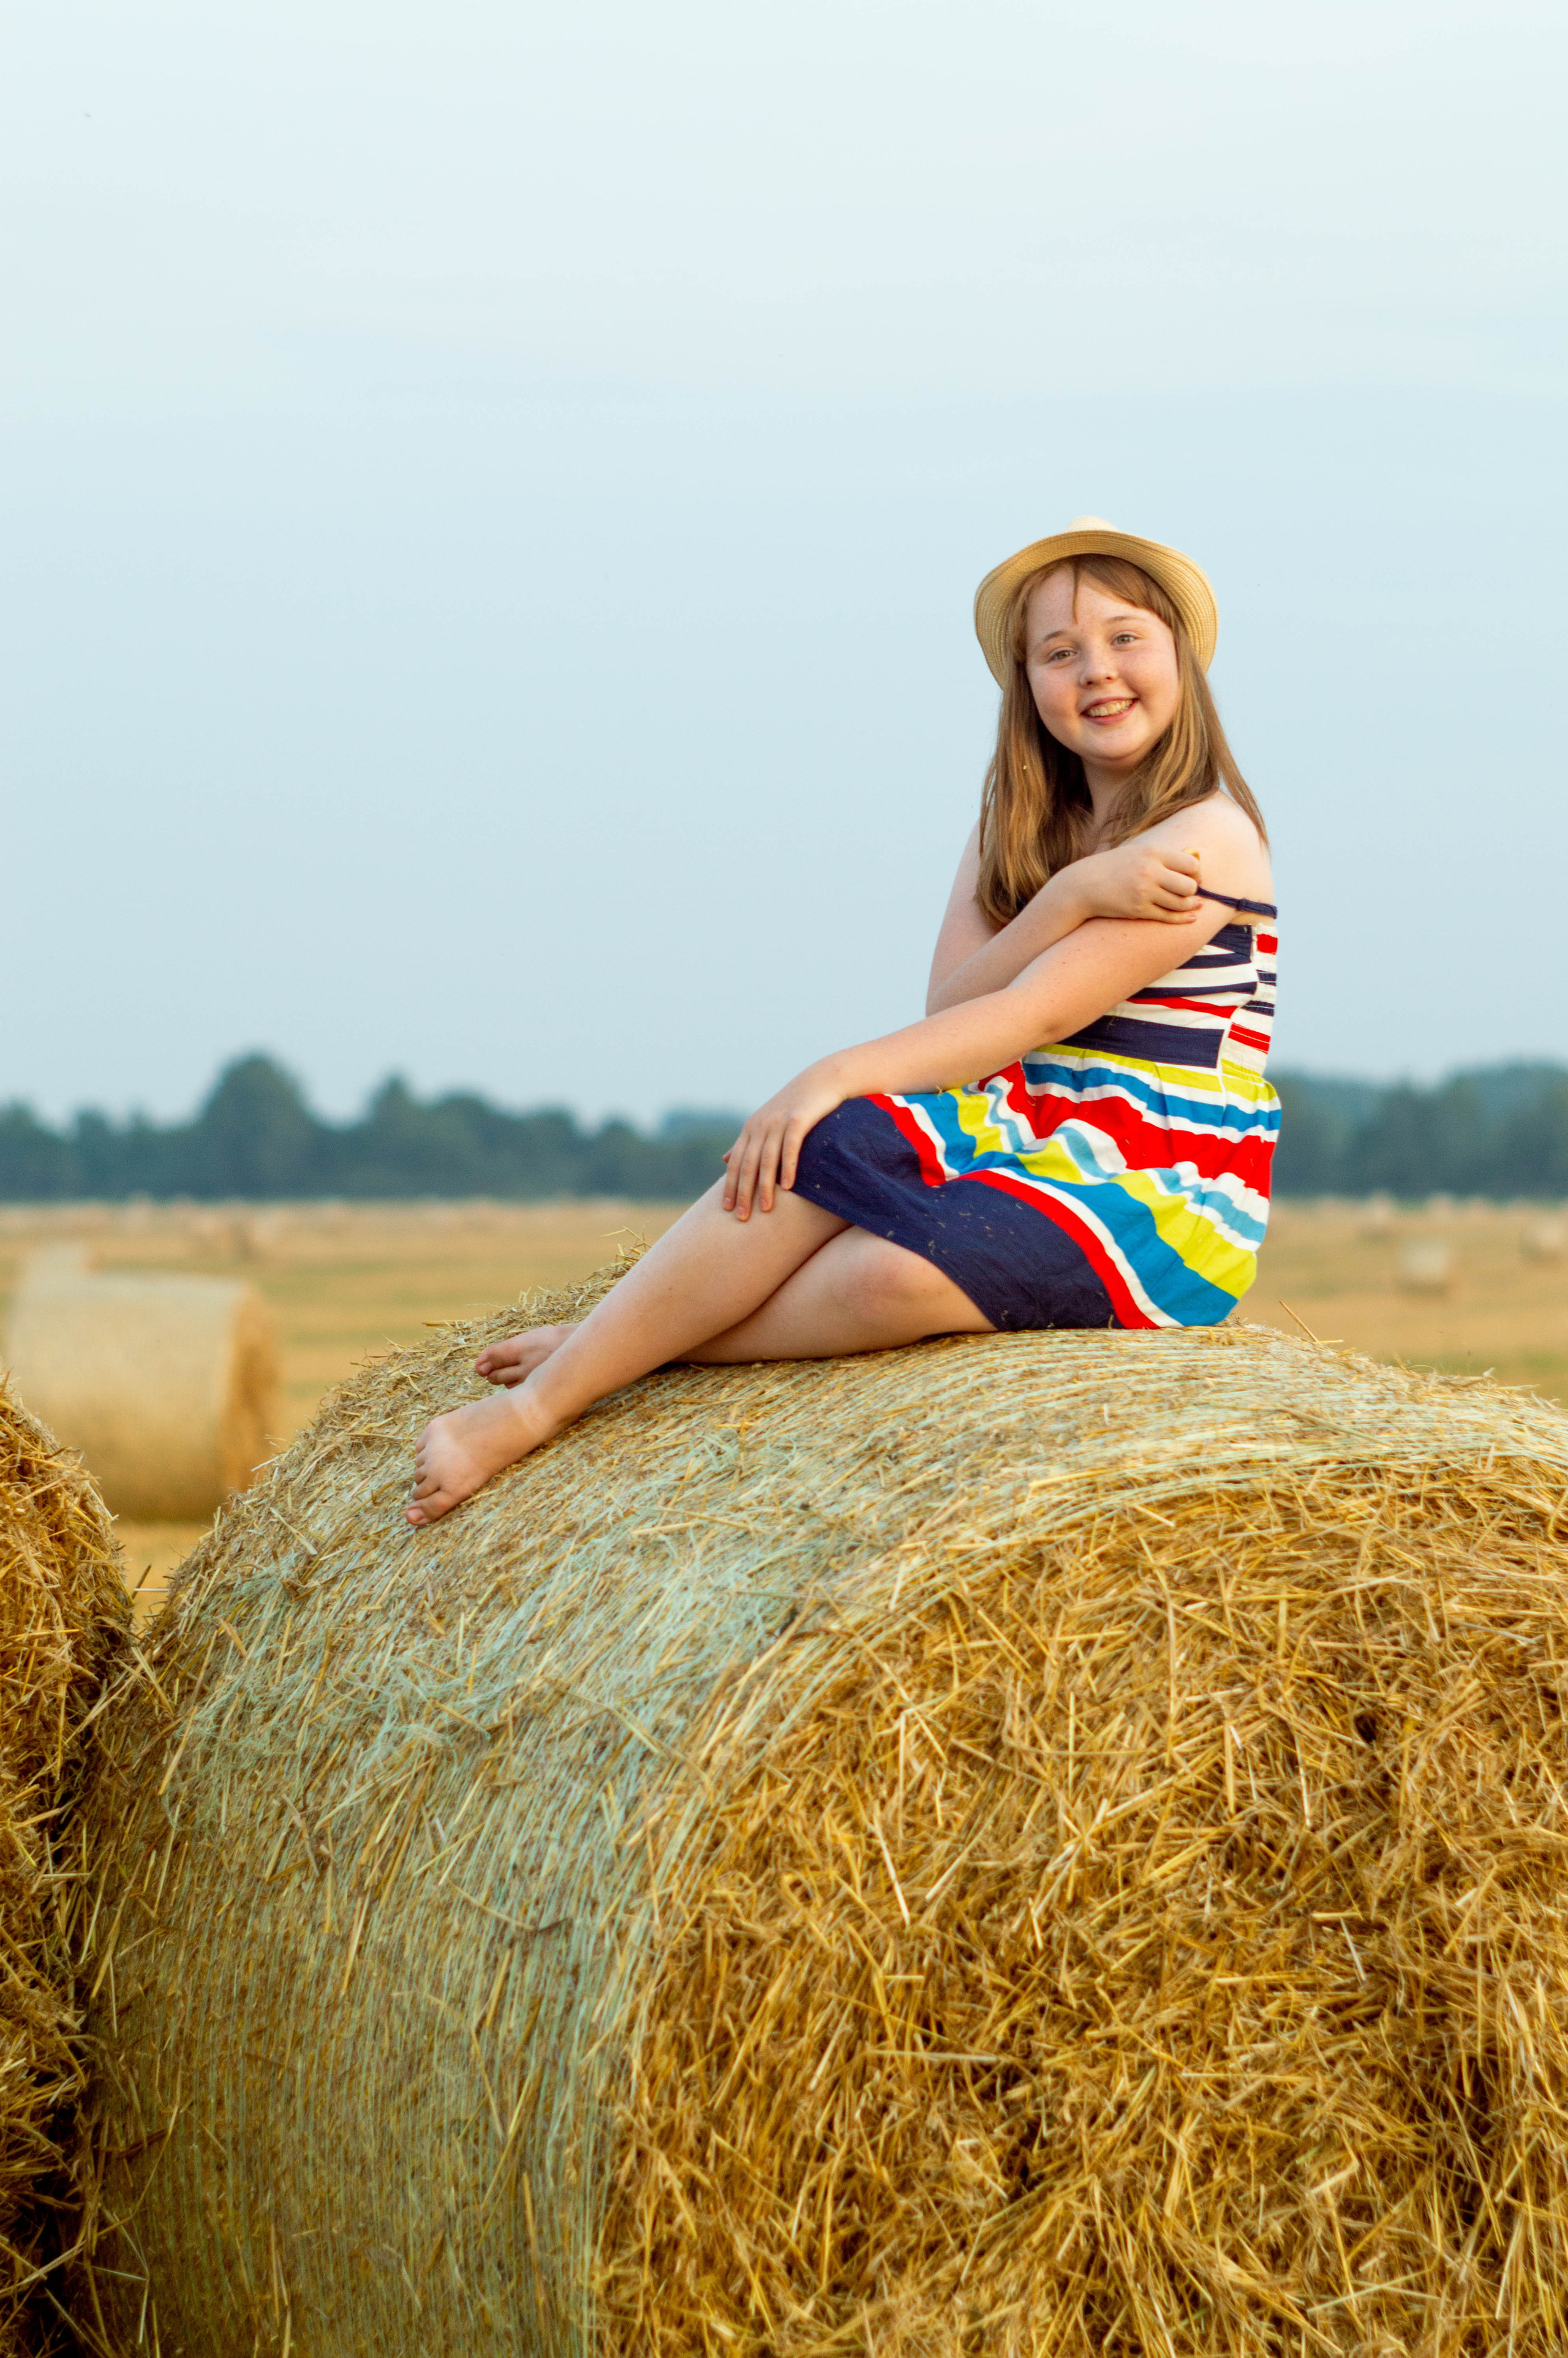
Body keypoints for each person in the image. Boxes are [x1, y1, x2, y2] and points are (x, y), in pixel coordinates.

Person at [407, 517, 1278, 1527]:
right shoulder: (1028, 828)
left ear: (1181, 652)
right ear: (1026, 684)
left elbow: (1024, 1013)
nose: (1098, 671)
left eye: (1126, 638)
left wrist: (825, 1070)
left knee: (883, 1281)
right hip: (1030, 1132)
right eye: (1061, 651)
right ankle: (532, 1410)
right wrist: (1070, 892)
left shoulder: (1208, 838)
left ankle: (611, 1344)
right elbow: (953, 1008)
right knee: (832, 1144)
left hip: (1160, 1184)